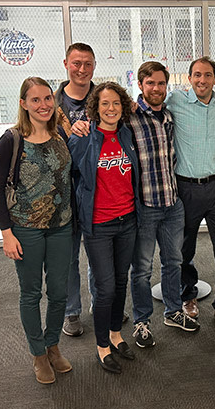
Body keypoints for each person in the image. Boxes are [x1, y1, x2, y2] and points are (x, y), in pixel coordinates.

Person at [0, 77, 73, 384]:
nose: (43, 105)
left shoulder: (60, 133)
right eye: (35, 100)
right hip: (26, 229)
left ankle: (53, 346)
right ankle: (38, 353)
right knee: (31, 293)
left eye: (47, 98)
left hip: (62, 226)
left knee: (60, 292)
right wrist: (6, 233)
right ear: (24, 103)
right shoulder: (12, 140)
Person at [166, 56, 215, 332]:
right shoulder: (175, 101)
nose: (202, 80)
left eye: (207, 75)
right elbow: (145, 106)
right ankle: (188, 295)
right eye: (197, 75)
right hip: (185, 187)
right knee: (183, 249)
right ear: (189, 78)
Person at [68, 82, 140, 374]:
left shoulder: (126, 134)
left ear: (123, 107)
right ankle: (101, 345)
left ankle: (115, 334)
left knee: (121, 281)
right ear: (95, 109)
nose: (111, 109)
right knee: (106, 287)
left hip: (128, 221)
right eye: (105, 104)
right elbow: (71, 175)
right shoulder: (85, 137)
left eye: (116, 104)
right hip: (98, 224)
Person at [129, 61, 200, 349]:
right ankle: (142, 321)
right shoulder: (129, 119)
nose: (156, 88)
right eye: (150, 83)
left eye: (160, 84)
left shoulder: (169, 117)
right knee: (142, 269)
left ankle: (172, 311)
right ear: (141, 86)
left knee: (174, 262)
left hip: (172, 204)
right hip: (145, 207)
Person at [56, 42, 96, 337]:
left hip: (98, 189)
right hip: (64, 192)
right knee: (68, 256)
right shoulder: (51, 104)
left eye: (87, 64)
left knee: (99, 251)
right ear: (66, 64)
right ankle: (71, 312)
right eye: (76, 63)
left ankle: (102, 302)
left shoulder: (106, 98)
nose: (82, 70)